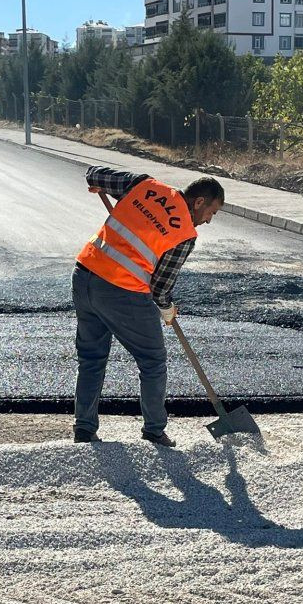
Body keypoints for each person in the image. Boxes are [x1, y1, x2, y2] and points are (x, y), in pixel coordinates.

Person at [73, 167, 225, 448]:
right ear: (199, 202)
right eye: (211, 212)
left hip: (84, 275)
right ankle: (154, 430)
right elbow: (159, 286)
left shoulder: (144, 185)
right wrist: (167, 308)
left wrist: (99, 185)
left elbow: (94, 174)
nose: (208, 220)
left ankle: (84, 429)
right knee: (153, 361)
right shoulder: (185, 233)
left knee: (92, 359)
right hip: (121, 290)